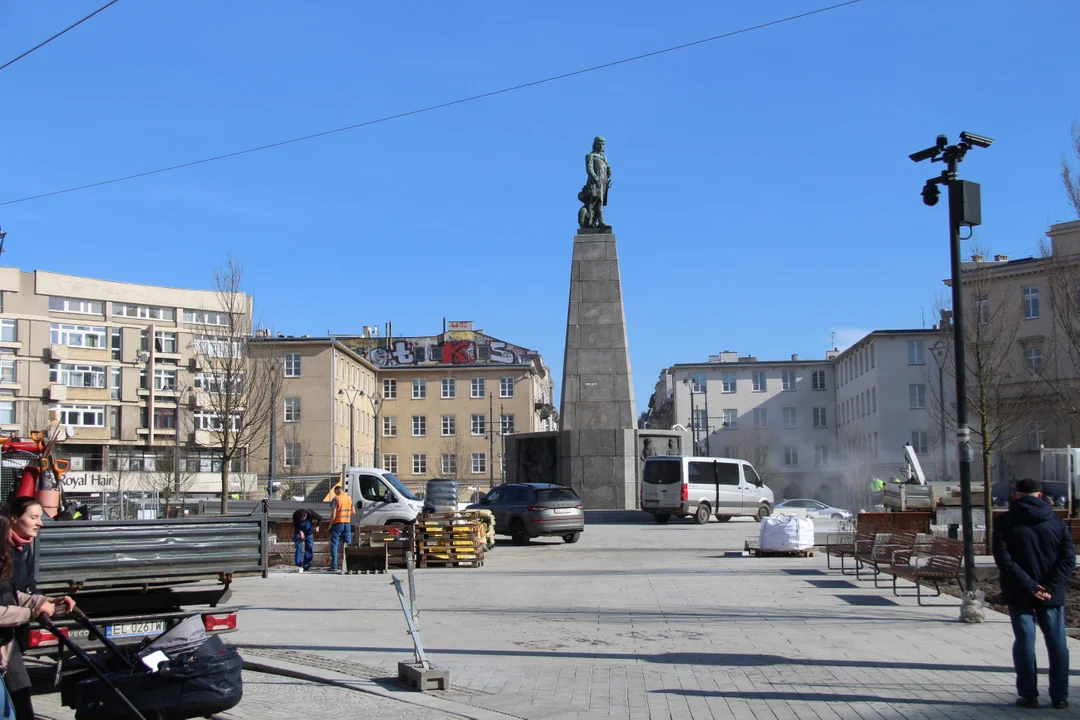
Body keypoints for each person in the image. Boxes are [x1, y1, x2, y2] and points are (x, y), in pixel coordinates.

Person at [993, 477, 1076, 710]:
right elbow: (1069, 558)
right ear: (1040, 495)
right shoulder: (1056, 522)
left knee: (1025, 642)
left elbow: (1004, 560)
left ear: (1016, 494)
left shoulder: (1005, 521)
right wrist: (1050, 587)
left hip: (1019, 591)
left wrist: (1030, 585)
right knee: (1058, 644)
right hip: (1052, 594)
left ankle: (1029, 695)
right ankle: (1060, 696)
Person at [6, 498, 75, 720]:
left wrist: (47, 602)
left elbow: (17, 593)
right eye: (33, 517)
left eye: (40, 517)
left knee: (21, 695)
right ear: (13, 519)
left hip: (7, 639)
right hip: (6, 633)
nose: (40, 523)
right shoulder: (6, 552)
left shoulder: (22, 549)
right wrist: (30, 611)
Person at [328, 485, 354, 572]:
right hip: (347, 523)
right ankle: (350, 564)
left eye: (335, 492)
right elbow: (353, 511)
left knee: (335, 544)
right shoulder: (349, 498)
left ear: (337, 490)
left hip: (338, 524)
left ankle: (334, 566)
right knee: (348, 544)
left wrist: (330, 525)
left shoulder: (336, 499)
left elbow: (333, 514)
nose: (335, 494)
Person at [291, 508, 322, 573]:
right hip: (299, 531)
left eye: (303, 518)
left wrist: (318, 526)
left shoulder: (311, 513)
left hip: (309, 532)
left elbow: (320, 518)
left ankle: (307, 565)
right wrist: (300, 532)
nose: (302, 520)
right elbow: (295, 525)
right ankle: (298, 565)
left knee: (309, 547)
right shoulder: (295, 515)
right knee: (298, 547)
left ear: (306, 515)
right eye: (301, 519)